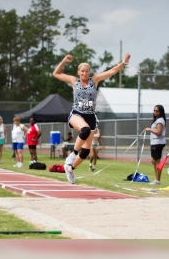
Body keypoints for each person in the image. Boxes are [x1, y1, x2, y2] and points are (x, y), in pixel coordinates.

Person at [53, 52, 131, 184]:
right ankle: (72, 154)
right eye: (82, 71)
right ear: (78, 72)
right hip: (77, 114)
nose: (84, 74)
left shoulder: (94, 80)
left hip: (90, 116)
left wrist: (124, 62)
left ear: (89, 72)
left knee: (86, 151)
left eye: (87, 71)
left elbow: (112, 71)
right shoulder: (74, 81)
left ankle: (70, 169)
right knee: (85, 130)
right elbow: (56, 73)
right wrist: (64, 61)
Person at [144, 105, 166, 185]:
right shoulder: (157, 120)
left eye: (157, 111)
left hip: (157, 143)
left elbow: (159, 133)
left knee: (157, 162)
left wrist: (150, 129)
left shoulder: (160, 120)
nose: (155, 112)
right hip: (154, 142)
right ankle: (156, 179)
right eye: (154, 110)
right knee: (153, 161)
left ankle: (158, 180)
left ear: (160, 112)